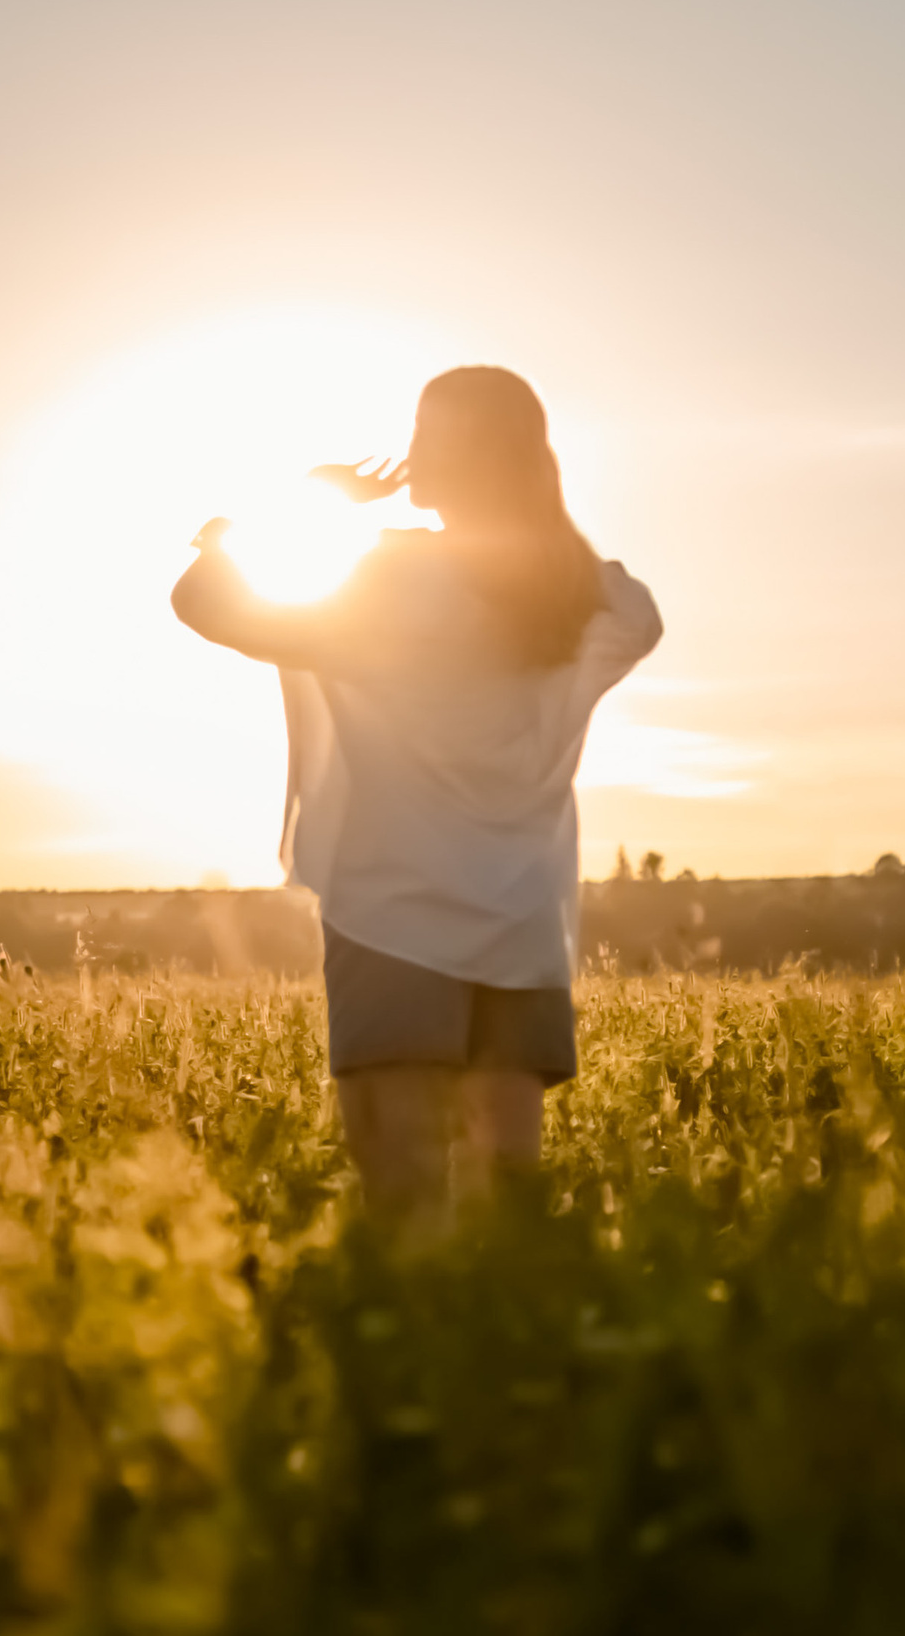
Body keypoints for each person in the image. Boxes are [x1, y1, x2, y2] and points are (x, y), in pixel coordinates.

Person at [172, 365, 662, 1223]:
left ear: (460, 457)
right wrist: (540, 539)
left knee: (404, 1200)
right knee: (506, 1198)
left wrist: (309, 503)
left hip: (393, 915)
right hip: (522, 925)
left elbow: (206, 602)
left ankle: (416, 1349)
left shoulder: (394, 582)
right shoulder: (588, 600)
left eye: (427, 436)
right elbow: (635, 607)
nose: (409, 454)